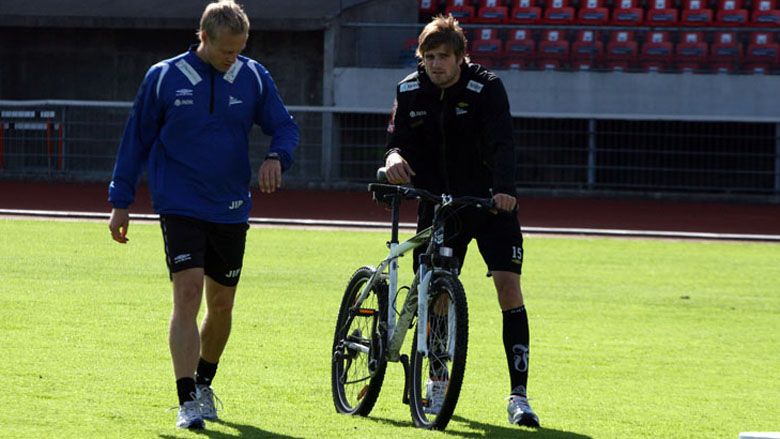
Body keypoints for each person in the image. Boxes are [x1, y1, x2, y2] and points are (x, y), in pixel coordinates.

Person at [107, 0, 299, 430]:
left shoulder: (253, 76)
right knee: (188, 292)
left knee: (222, 304)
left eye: (240, 48)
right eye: (227, 49)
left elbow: (285, 127)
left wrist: (276, 157)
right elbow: (136, 140)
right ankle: (186, 399)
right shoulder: (163, 77)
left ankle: (204, 383)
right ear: (204, 37)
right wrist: (121, 201)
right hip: (179, 203)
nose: (234, 57)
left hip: (230, 206)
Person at [383, 15, 540, 428]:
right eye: (428, 57)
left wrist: (504, 190)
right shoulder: (409, 89)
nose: (435, 65)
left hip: (490, 203)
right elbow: (396, 140)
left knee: (509, 288)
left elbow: (503, 142)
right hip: (439, 206)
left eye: (443, 57)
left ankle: (519, 396)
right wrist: (393, 157)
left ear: (460, 57)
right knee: (437, 292)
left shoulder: (487, 87)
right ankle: (436, 381)